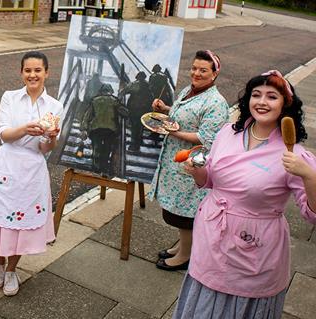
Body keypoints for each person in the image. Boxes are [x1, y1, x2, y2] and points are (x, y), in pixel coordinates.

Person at [173, 70, 316, 318]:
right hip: (210, 238)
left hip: (255, 249)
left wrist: (310, 176)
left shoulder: (293, 154)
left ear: (285, 105)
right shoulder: (228, 133)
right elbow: (211, 181)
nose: (261, 102)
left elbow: (313, 215)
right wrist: (197, 172)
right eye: (256, 95)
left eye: (272, 96)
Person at [0, 51, 63, 297]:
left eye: (38, 70)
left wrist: (50, 138)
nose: (33, 75)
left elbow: (46, 148)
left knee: (21, 225)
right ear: (21, 73)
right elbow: (4, 135)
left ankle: (11, 269)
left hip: (33, 169)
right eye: (28, 70)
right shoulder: (9, 98)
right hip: (5, 165)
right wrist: (24, 129)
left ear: (46, 73)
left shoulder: (54, 106)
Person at [147, 50, 229, 271]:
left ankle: (185, 256)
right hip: (175, 162)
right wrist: (165, 109)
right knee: (176, 210)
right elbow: (180, 115)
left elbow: (206, 138)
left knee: (185, 214)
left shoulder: (215, 102)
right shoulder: (188, 91)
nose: (196, 73)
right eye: (194, 68)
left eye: (203, 70)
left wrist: (171, 132)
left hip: (191, 164)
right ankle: (183, 246)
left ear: (214, 74)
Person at [80, 83, 128, 175]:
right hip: (110, 130)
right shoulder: (114, 100)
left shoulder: (95, 100)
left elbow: (87, 116)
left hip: (96, 129)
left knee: (96, 148)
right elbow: (124, 113)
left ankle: (96, 167)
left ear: (102, 91)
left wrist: (84, 128)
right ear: (110, 91)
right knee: (107, 149)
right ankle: (104, 168)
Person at [120, 71, 153, 152]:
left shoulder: (135, 84)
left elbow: (125, 91)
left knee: (134, 127)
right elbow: (151, 97)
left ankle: (133, 145)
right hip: (144, 109)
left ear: (137, 77)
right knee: (140, 127)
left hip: (134, 109)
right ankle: (138, 144)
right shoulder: (148, 85)